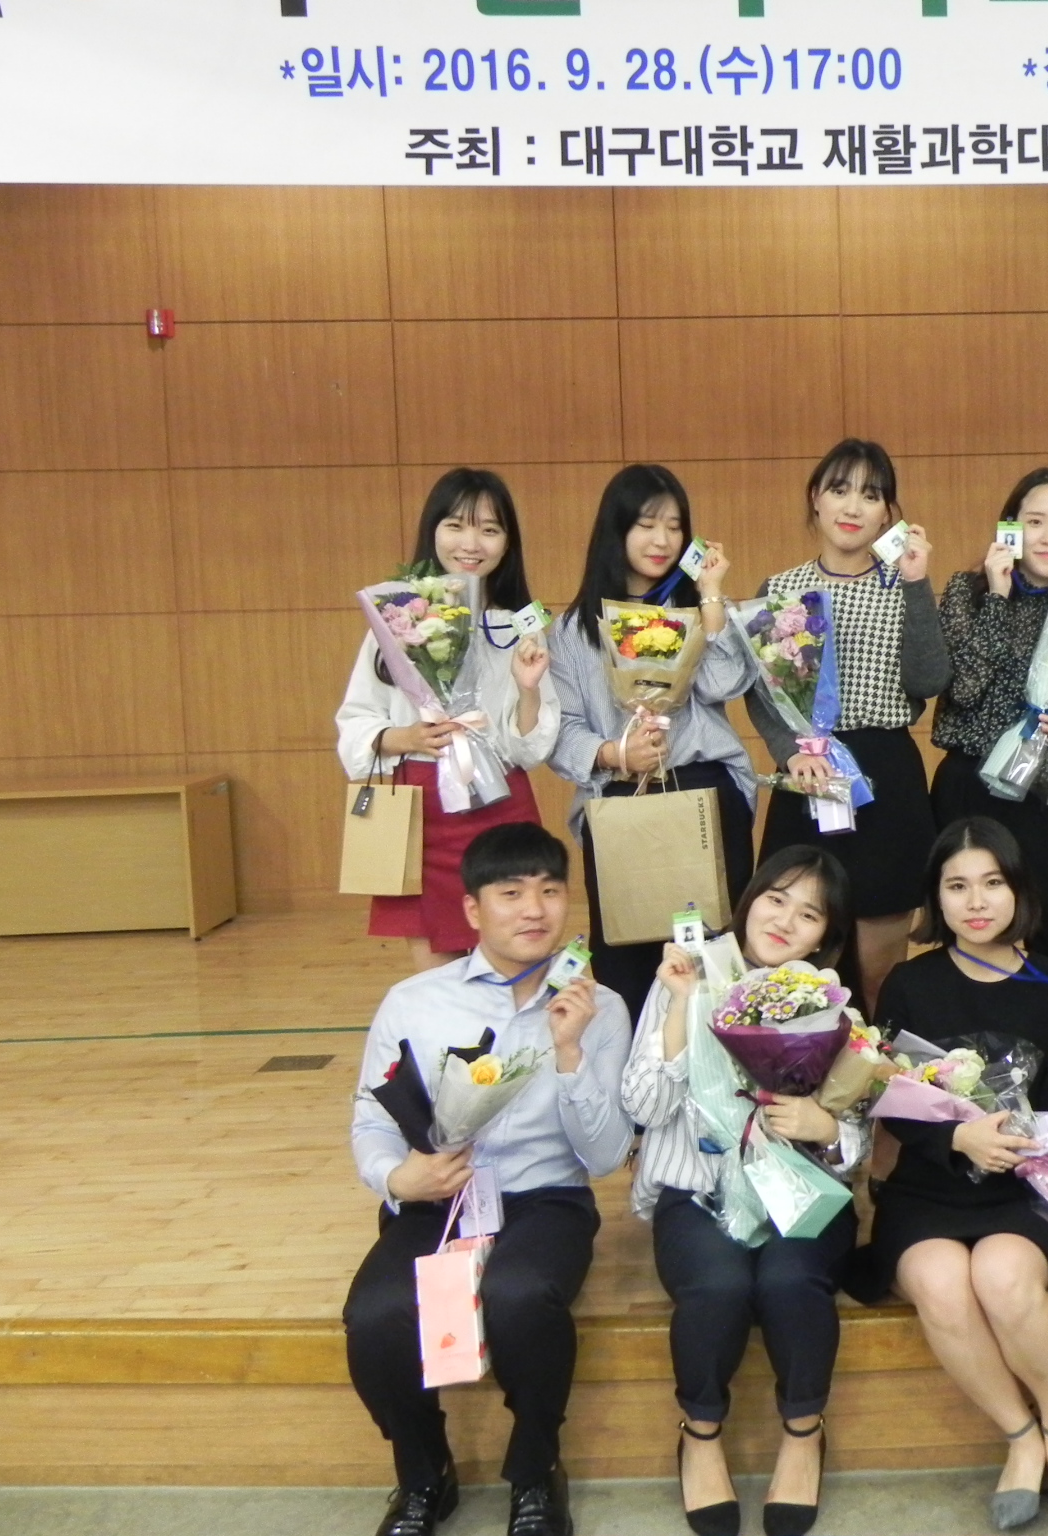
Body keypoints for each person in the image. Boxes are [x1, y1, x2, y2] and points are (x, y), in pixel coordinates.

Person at [344, 822, 632, 1536]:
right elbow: (371, 1117)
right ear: (473, 909)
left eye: (550, 891)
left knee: (519, 1296)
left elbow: (604, 1158)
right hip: (437, 1198)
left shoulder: (600, 1008)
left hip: (546, 1199)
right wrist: (397, 1178)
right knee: (376, 1315)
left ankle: (535, 1470)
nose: (534, 910)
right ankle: (424, 1474)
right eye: (511, 893)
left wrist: (569, 1052)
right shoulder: (413, 1001)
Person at [852, 817, 1048, 1530]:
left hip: (1027, 1186)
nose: (976, 902)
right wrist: (957, 1138)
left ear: (1019, 890)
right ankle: (1020, 1435)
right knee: (942, 1284)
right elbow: (890, 1098)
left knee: (1002, 1276)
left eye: (993, 883)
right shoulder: (909, 982)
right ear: (935, 899)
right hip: (929, 1188)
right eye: (957, 886)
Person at [622, 846, 867, 1536]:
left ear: (825, 937)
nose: (785, 920)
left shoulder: (831, 1005)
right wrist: (681, 1006)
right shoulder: (686, 975)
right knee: (719, 1285)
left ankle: (803, 1431)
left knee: (790, 1281)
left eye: (809, 914)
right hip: (698, 1187)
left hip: (801, 1187)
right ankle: (701, 1434)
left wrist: (826, 1127)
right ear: (749, 899)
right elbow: (643, 1105)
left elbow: (859, 1143)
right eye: (776, 899)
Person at [549, 463, 757, 1019]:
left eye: (674, 525)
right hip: (622, 800)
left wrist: (710, 595)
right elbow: (561, 729)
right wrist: (617, 753)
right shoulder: (572, 631)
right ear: (616, 531)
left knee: (716, 965)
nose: (662, 539)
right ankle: (638, 1074)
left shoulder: (698, 611)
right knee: (628, 968)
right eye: (646, 524)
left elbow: (724, 684)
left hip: (704, 793)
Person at [746, 439, 950, 1002]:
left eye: (870, 494)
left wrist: (917, 583)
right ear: (815, 498)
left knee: (879, 963)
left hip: (885, 777)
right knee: (792, 949)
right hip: (808, 773)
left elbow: (929, 679)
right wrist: (790, 751)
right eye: (839, 489)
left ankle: (875, 1055)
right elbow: (762, 693)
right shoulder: (780, 589)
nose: (853, 506)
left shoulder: (903, 581)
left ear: (888, 513)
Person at [338, 469, 560, 970]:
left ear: (508, 542)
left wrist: (527, 690)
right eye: (456, 525)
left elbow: (529, 749)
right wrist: (407, 737)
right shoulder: (396, 618)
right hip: (420, 810)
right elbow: (356, 720)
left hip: (499, 803)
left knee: (515, 967)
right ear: (433, 531)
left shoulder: (519, 624)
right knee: (435, 981)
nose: (471, 543)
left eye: (489, 529)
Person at [930, 466, 1048, 976]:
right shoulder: (967, 591)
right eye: (1035, 522)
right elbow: (962, 691)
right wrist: (996, 596)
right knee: (976, 941)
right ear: (1011, 528)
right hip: (972, 791)